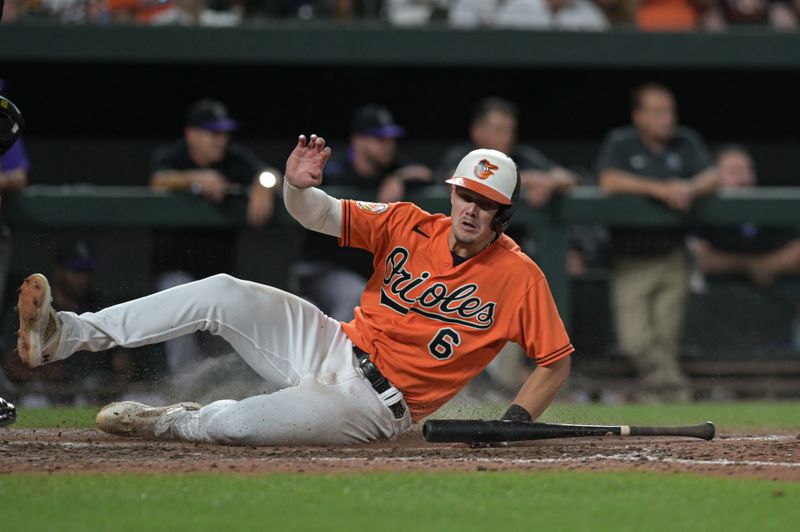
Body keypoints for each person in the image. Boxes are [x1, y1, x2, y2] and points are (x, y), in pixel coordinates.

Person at [16, 137, 573, 446]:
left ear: (504, 213)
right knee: (221, 291)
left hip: (373, 408)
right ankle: (65, 334)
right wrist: (297, 188)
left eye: (486, 202)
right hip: (333, 345)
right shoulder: (409, 222)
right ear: (452, 193)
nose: (471, 209)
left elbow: (554, 361)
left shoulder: (519, 275)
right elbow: (319, 214)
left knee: (238, 425)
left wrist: (517, 419)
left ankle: (170, 421)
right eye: (465, 195)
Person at [597, 82, 718, 403]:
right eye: (658, 112)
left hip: (672, 255)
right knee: (636, 340)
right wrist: (660, 189)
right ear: (639, 116)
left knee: (665, 341)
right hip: (630, 259)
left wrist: (688, 187)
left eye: (670, 111)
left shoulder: (685, 140)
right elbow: (609, 180)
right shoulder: (621, 143)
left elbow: (712, 176)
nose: (668, 118)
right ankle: (677, 392)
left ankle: (657, 402)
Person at [149, 98, 279, 376]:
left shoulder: (235, 159)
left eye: (224, 133)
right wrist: (194, 179)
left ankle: (217, 396)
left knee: (227, 342)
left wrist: (262, 186)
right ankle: (182, 389)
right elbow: (158, 180)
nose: (221, 140)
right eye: (213, 133)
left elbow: (271, 174)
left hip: (218, 273)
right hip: (176, 268)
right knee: (179, 305)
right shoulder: (173, 157)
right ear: (191, 134)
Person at [290, 104, 432, 321]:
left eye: (390, 138)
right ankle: (340, 355)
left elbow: (425, 174)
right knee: (355, 296)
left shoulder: (393, 168)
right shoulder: (333, 172)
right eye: (379, 138)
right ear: (358, 140)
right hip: (322, 268)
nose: (388, 145)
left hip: (365, 272)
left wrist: (399, 177)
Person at [438, 97, 578, 209]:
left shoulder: (521, 156)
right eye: (499, 131)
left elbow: (569, 178)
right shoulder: (462, 156)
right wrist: (526, 180)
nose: (507, 138)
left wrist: (550, 182)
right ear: (477, 132)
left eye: (510, 131)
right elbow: (460, 179)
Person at [690, 145, 800, 286]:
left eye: (748, 171)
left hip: (775, 299)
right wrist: (750, 266)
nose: (744, 179)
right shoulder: (703, 210)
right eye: (735, 172)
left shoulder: (769, 209)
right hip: (716, 298)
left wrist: (768, 265)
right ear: (713, 178)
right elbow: (695, 256)